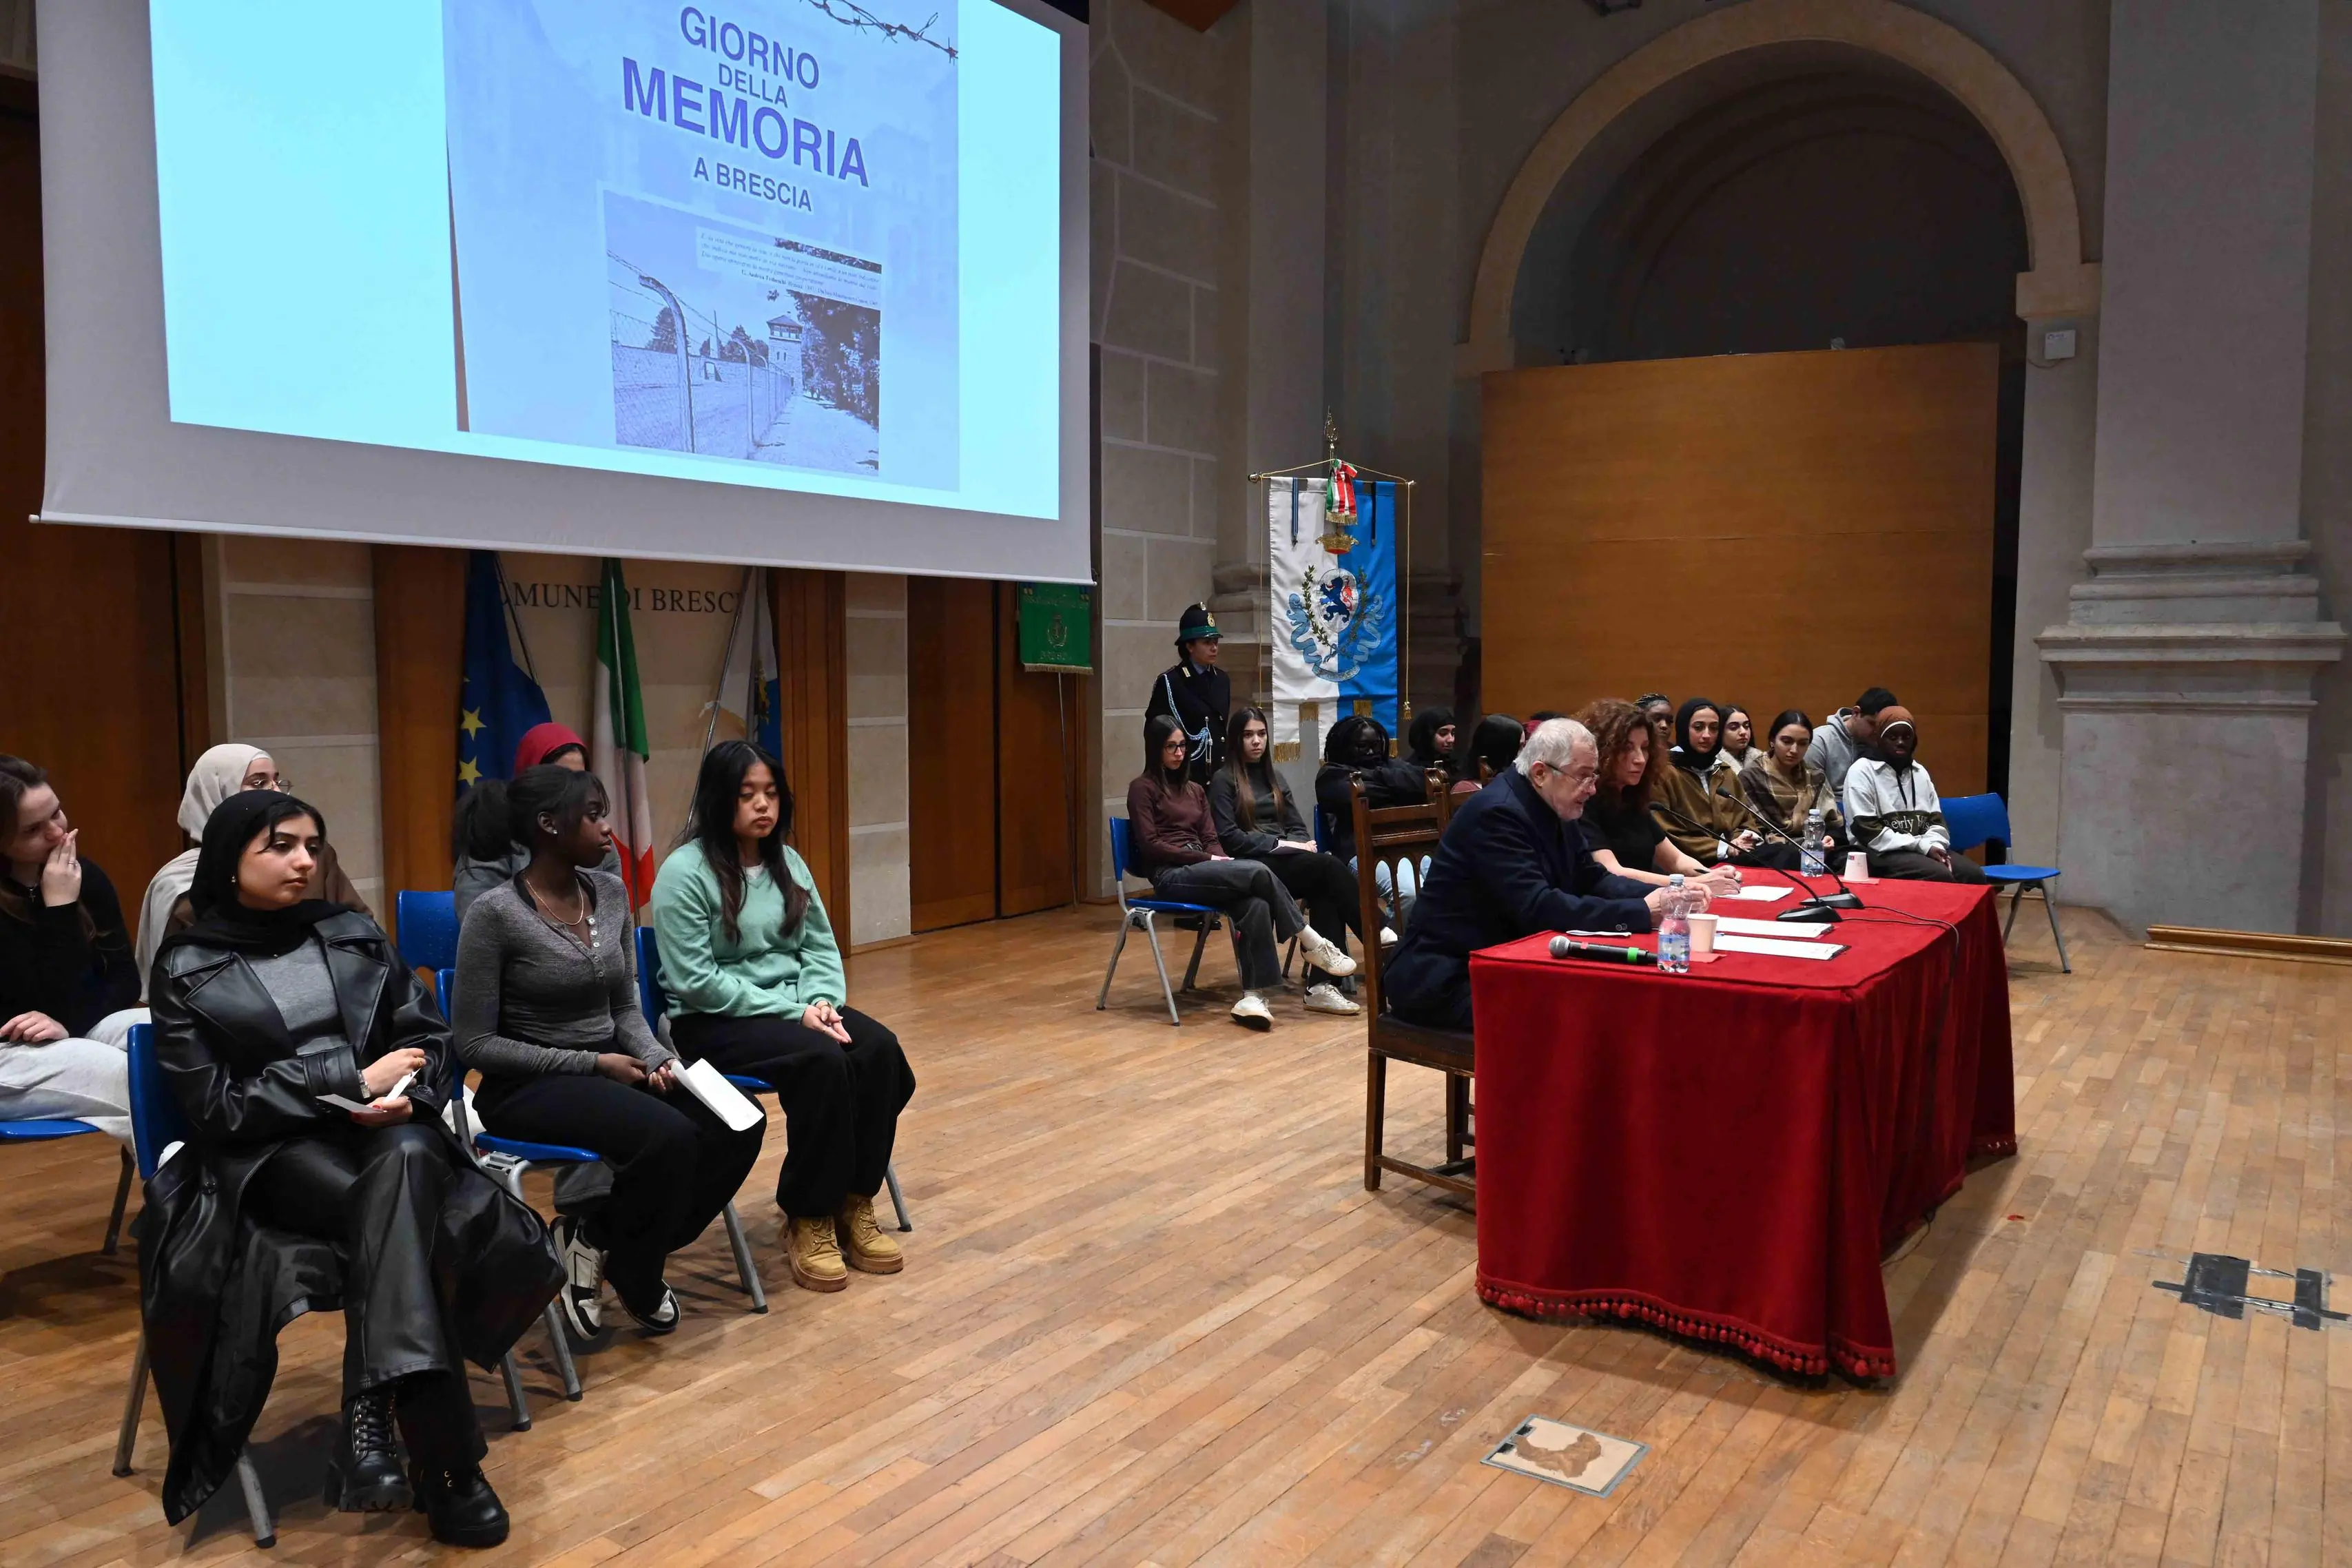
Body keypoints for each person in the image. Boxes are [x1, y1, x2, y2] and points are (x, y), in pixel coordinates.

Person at [145, 789, 560, 1546]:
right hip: (274, 1156)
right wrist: (346, 1079)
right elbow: (216, 1109)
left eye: (313, 843)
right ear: (229, 858)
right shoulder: (187, 963)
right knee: (410, 1212)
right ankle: (451, 1468)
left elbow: (433, 1039)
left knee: (403, 1159)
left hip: (388, 1137)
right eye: (281, 845)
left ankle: (371, 1413)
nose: (305, 859)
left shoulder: (351, 931)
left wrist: (408, 1089)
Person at [454, 765, 763, 1341]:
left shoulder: (613, 892)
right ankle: (637, 1271)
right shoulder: (495, 914)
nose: (607, 827)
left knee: (739, 1122)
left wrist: (654, 1057)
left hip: (613, 1062)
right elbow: (474, 1044)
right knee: (669, 1140)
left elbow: (626, 1007)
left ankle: (599, 1239)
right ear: (548, 825)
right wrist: (593, 1064)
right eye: (593, 814)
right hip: (526, 1084)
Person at [650, 741, 916, 1294]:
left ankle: (853, 1200)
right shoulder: (684, 872)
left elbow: (819, 947)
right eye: (747, 795)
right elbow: (696, 982)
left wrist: (822, 1002)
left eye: (770, 794)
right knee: (821, 1061)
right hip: (713, 1021)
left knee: (878, 1049)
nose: (762, 806)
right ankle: (809, 1215)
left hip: (796, 1010)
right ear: (720, 798)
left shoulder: (788, 863)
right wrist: (797, 1014)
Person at [1384, 719, 1681, 1032]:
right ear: (1540, 773)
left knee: (1615, 997)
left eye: (1593, 776)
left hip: (1506, 961)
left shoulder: (1556, 803)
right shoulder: (1497, 814)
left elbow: (1592, 877)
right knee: (1582, 1016)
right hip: (1448, 976)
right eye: (1583, 776)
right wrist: (1641, 912)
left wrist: (1662, 898)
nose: (1592, 789)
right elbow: (1538, 907)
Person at [1127, 716, 1356, 1031]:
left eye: (1182, 746)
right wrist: (1209, 858)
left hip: (1204, 867)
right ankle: (1313, 942)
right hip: (1171, 875)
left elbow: (1211, 838)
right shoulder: (1142, 788)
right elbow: (1151, 845)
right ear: (1155, 750)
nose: (1179, 753)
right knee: (1259, 871)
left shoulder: (1195, 790)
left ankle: (1253, 997)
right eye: (1171, 747)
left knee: (1256, 902)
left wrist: (1222, 861)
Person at [136, 744, 371, 988]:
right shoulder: (179, 881)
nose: (276, 791)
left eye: (277, 781)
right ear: (213, 793)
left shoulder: (317, 856)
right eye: (259, 783)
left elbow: (360, 927)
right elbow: (182, 977)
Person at [1, 756, 139, 1141]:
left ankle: (222, 1186)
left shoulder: (84, 874)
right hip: (8, 1048)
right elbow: (25, 999)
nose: (56, 832)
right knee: (135, 1078)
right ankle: (189, 1194)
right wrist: (58, 909)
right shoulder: (62, 888)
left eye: (56, 813)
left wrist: (68, 1023)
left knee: (180, 1042)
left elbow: (126, 982)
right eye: (32, 829)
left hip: (69, 1025)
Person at [1208, 708, 1365, 1016]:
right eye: (1248, 735)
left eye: (1262, 734)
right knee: (1329, 868)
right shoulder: (1223, 781)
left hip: (1283, 862)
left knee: (1325, 886)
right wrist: (1279, 844)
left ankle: (1321, 988)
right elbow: (1229, 838)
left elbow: (1297, 826)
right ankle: (1375, 933)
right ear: (1236, 740)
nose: (1257, 742)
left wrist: (1296, 843)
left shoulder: (1275, 777)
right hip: (1249, 865)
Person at [453, 723, 621, 922]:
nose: (576, 790)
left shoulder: (598, 841)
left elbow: (613, 929)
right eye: (563, 778)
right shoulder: (494, 836)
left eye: (580, 777)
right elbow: (479, 923)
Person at [1571, 700, 1740, 894]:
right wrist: (1692, 884)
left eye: (1644, 748)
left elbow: (1676, 860)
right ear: (1602, 750)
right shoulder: (1584, 801)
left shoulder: (1632, 798)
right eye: (1628, 748)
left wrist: (1711, 876)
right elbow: (1612, 871)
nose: (1640, 759)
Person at [1842, 708, 1987, 883]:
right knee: (1938, 874)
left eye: (1906, 737)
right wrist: (1923, 847)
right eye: (1893, 737)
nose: (1901, 742)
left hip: (1921, 847)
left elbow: (1936, 821)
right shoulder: (1861, 771)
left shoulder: (1920, 772)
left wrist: (1935, 845)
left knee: (1972, 874)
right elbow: (1867, 832)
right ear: (1879, 739)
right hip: (1879, 852)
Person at [1648, 699, 1781, 867]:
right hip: (1690, 863)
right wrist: (1725, 848)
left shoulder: (1724, 771)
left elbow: (1745, 818)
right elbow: (1667, 832)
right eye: (1698, 728)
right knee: (1780, 858)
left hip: (1734, 856)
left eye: (1714, 728)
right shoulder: (1664, 772)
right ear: (1684, 729)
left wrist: (1743, 839)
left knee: (1783, 853)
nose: (1707, 735)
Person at [1142, 604, 1230, 787]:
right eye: (1207, 642)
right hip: (1183, 779)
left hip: (1217, 780)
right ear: (1190, 646)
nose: (1214, 648)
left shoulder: (1222, 680)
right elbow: (1154, 733)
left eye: (1215, 642)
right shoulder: (1171, 682)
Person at [1740, 710, 1848, 847]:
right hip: (1770, 850)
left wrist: (1829, 839)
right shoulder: (1751, 777)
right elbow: (1752, 831)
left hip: (1817, 848)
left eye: (1803, 743)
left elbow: (1834, 824)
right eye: (1787, 741)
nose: (1794, 750)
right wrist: (1803, 846)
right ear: (1772, 741)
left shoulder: (1815, 777)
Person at [1808, 686, 1899, 798]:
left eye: (1882, 726)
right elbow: (1810, 795)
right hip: (1831, 811)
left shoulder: (1883, 744)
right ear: (1856, 713)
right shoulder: (1819, 740)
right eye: (1872, 724)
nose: (1877, 732)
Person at [1454, 714, 1525, 794]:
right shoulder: (1465, 788)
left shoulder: (1518, 780)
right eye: (1519, 747)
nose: (1524, 753)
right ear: (1502, 750)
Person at [1403, 706, 1457, 772]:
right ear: (1428, 736)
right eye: (1443, 733)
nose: (1451, 740)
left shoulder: (1454, 767)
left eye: (1453, 733)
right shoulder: (1410, 771)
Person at [1716, 706, 1756, 780]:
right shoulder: (1714, 766)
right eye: (1734, 727)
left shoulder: (1761, 760)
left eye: (1746, 726)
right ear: (1720, 731)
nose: (1743, 732)